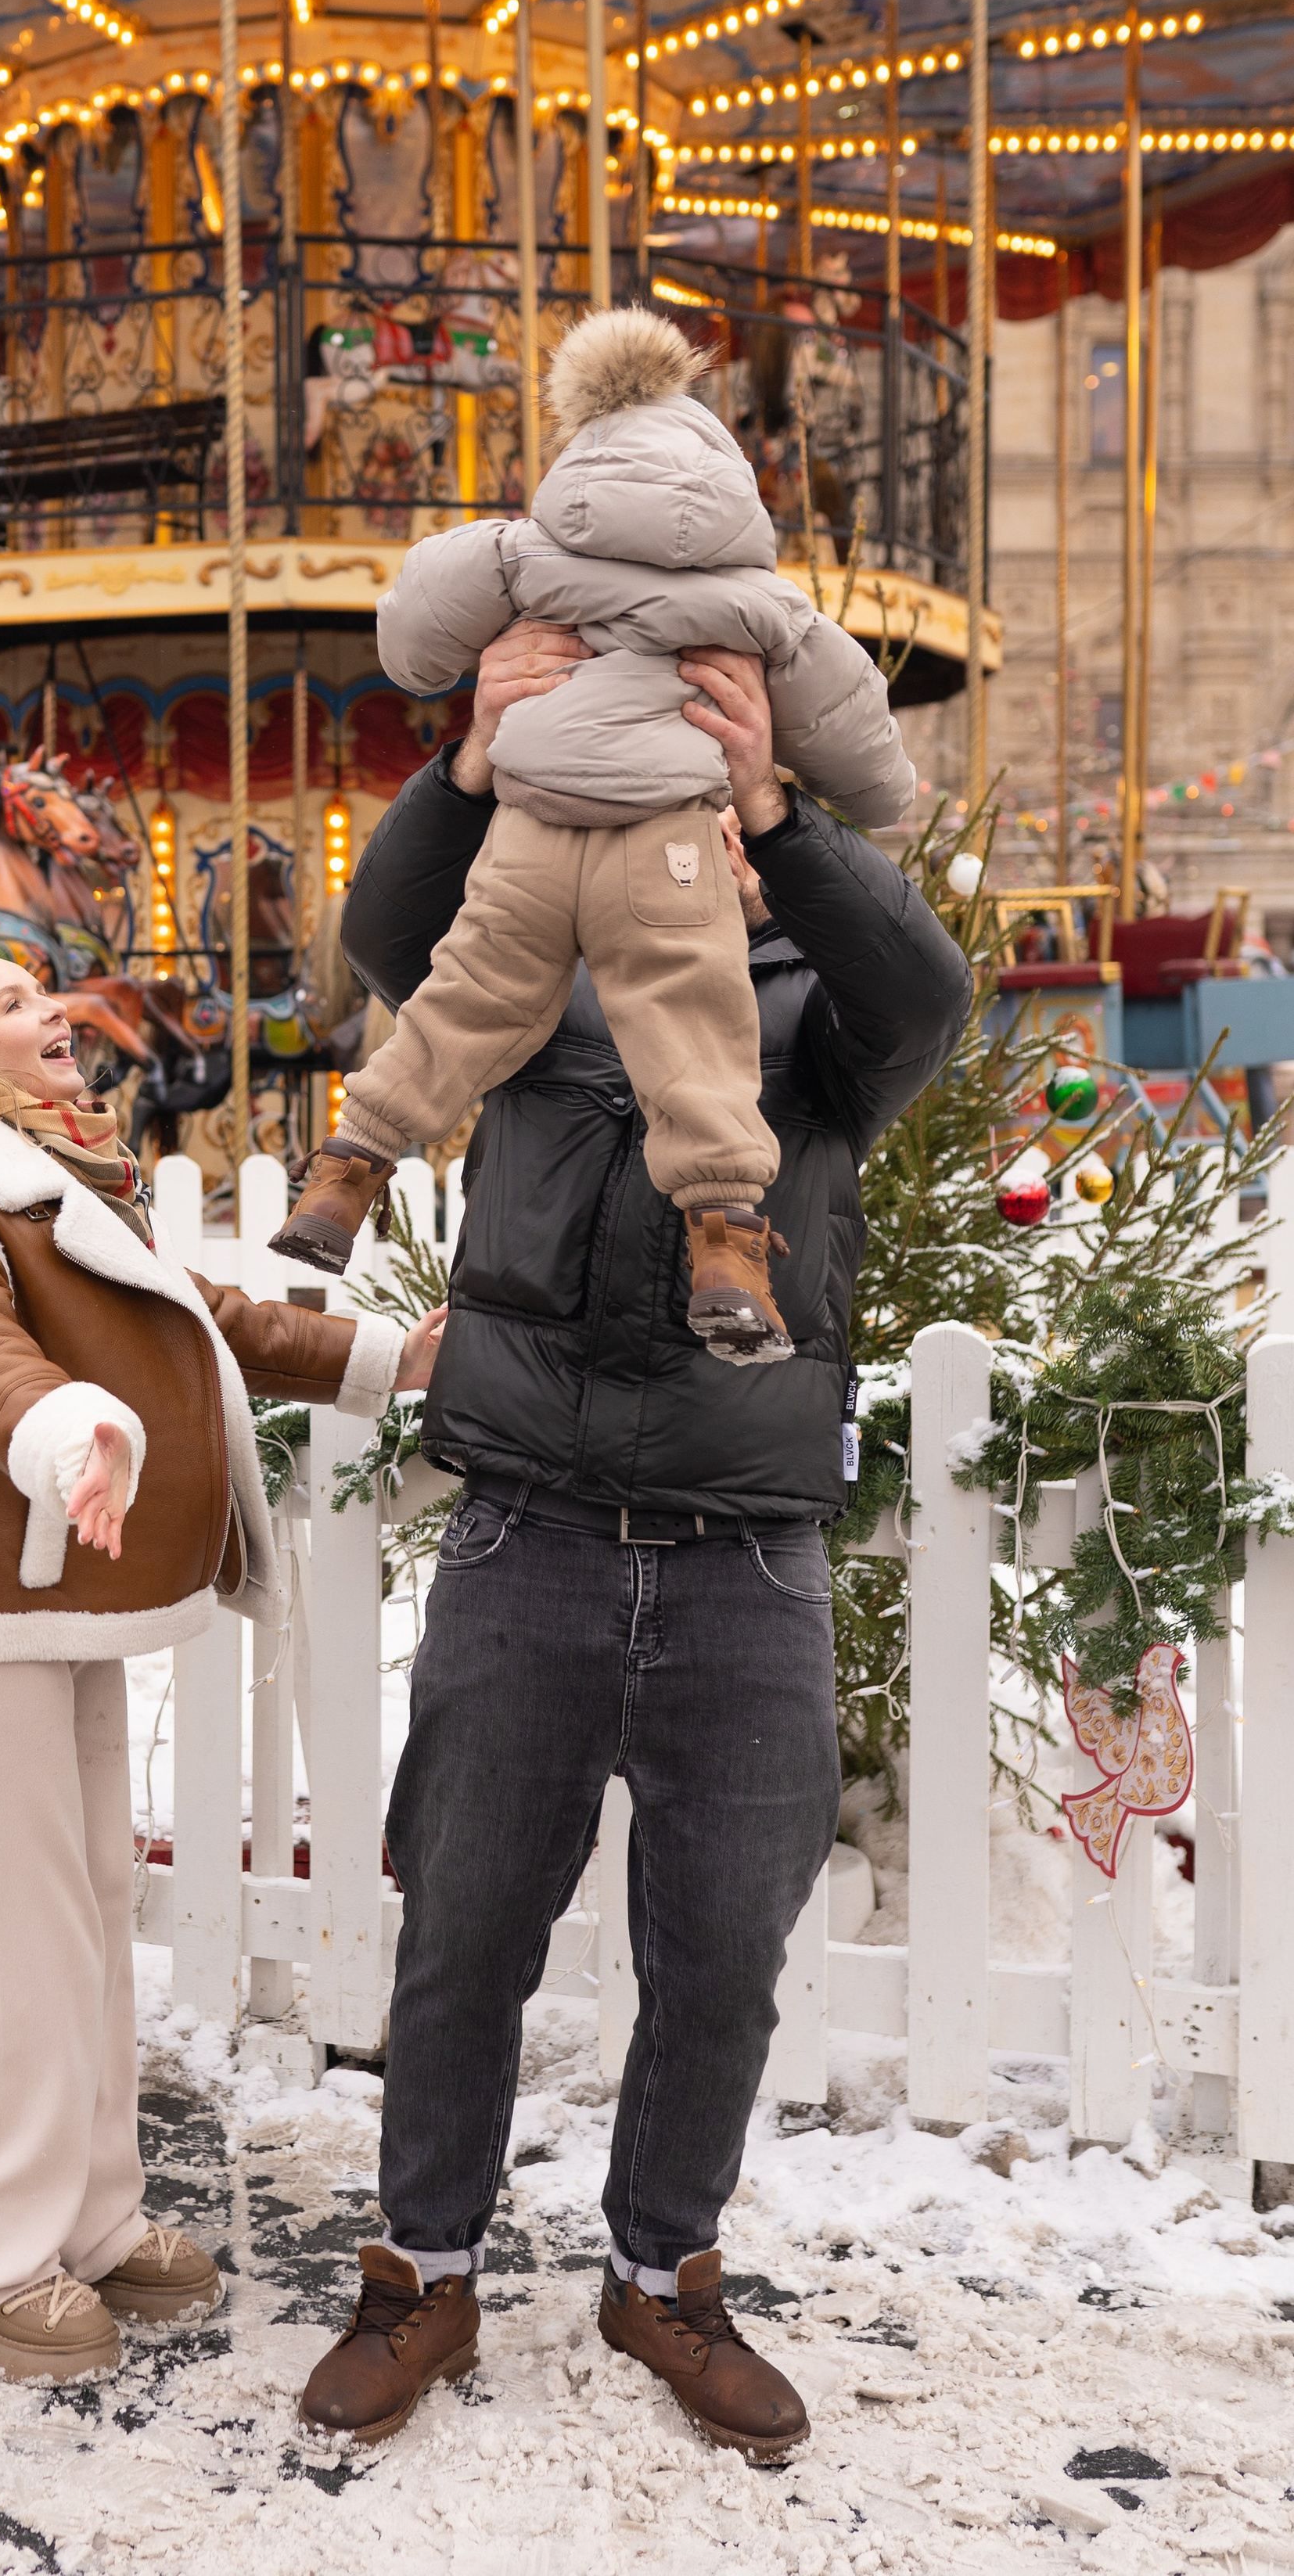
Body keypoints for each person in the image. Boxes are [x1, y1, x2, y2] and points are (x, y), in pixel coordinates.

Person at [295, 625, 972, 2460]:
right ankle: (419, 2265)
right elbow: (384, 952)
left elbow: (929, 1001)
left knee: (718, 1955)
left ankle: (662, 2271)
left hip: (747, 1545)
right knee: (461, 1932)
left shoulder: (814, 1027)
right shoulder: (531, 959)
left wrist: (781, 809)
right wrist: (467, 759)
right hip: (526, 1522)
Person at [0, 933, 444, 2383]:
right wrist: (65, 1429)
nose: (49, 1009)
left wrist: (379, 1360)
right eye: (9, 1002)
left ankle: (90, 2214)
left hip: (61, 1596)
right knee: (19, 1927)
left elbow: (206, 1324)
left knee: (93, 1903)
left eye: (42, 990)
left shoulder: (67, 1173)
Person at [273, 305, 917, 1367]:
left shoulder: (525, 552)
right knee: (697, 1031)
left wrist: (471, 699)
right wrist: (833, 794)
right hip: (662, 847)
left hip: (532, 831)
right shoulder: (754, 600)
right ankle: (724, 1246)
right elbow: (854, 724)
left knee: (465, 995)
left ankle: (349, 1167)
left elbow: (414, 625)